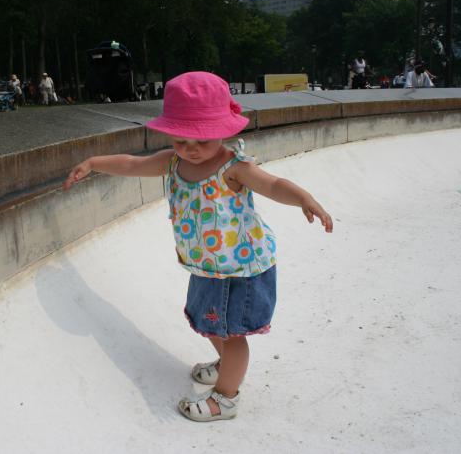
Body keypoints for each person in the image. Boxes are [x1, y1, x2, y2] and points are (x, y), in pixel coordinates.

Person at [63, 71, 333, 422]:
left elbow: (273, 184)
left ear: (224, 130)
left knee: (233, 335)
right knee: (208, 323)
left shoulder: (233, 168)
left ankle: (226, 398)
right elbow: (133, 164)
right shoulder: (173, 163)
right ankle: (226, 368)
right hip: (207, 268)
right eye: (180, 139)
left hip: (242, 271)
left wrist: (304, 199)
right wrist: (94, 163)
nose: (190, 149)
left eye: (201, 140)